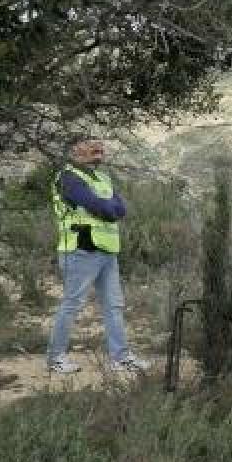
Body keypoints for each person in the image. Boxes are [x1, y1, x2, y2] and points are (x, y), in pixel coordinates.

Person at [45, 137, 149, 374]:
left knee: (114, 305)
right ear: (74, 149)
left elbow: (119, 208)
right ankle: (55, 358)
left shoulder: (103, 178)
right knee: (72, 303)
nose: (98, 148)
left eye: (101, 145)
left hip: (107, 250)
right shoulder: (68, 178)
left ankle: (120, 357)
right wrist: (107, 207)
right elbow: (98, 206)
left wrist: (107, 207)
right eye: (90, 144)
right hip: (80, 249)